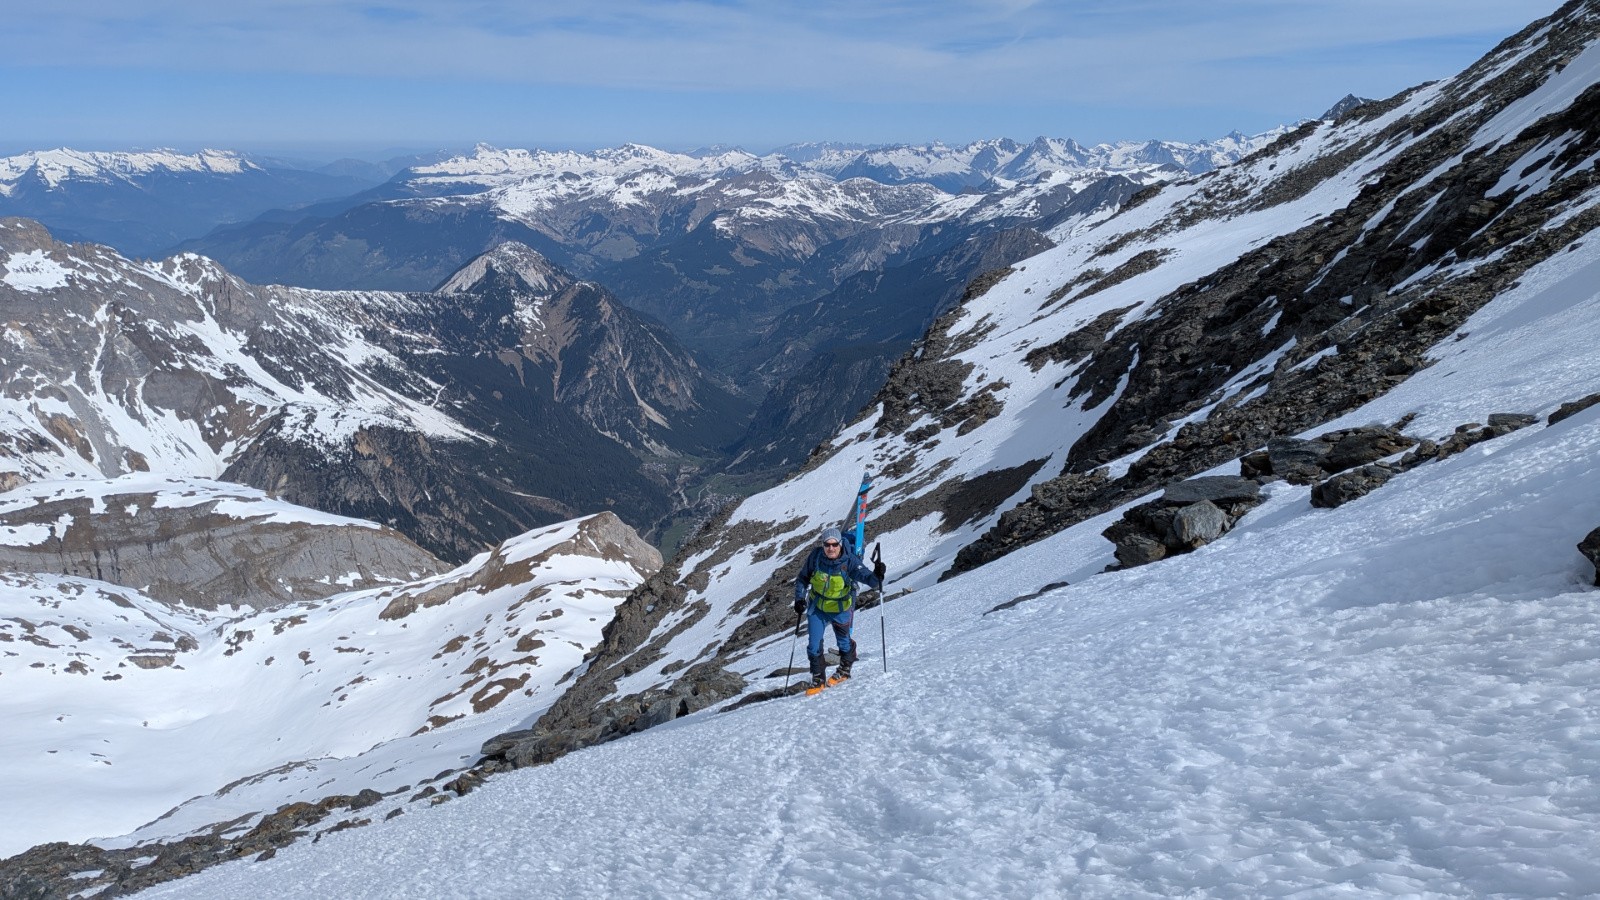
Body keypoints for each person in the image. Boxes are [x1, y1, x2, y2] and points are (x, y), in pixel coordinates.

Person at [793, 526, 886, 688]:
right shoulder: (815, 557)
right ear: (822, 545)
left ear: (840, 544)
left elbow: (868, 579)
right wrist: (799, 599)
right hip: (818, 607)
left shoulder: (849, 561)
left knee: (843, 642)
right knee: (813, 644)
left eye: (834, 545)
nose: (831, 548)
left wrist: (877, 575)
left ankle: (844, 669)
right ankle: (817, 676)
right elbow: (802, 578)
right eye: (827, 545)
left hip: (841, 608)